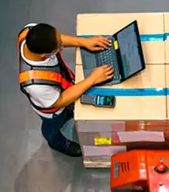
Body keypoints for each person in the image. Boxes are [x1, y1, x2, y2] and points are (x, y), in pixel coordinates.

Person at [18, 22, 114, 157]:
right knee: (52, 126)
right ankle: (55, 142)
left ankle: (69, 113)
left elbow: (57, 38)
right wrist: (92, 79)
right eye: (58, 47)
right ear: (43, 55)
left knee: (71, 110)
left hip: (61, 86)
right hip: (53, 109)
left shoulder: (29, 31)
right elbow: (60, 100)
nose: (61, 46)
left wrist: (83, 42)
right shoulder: (35, 84)